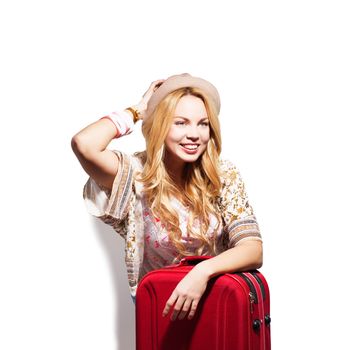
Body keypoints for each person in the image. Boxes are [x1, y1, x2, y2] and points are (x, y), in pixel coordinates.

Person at [71, 73, 263, 322]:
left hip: (217, 307)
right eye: (180, 122)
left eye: (203, 124)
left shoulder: (222, 175)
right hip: (163, 311)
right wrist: (139, 110)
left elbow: (253, 250)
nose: (194, 134)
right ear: (161, 125)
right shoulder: (135, 176)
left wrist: (201, 272)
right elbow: (84, 143)